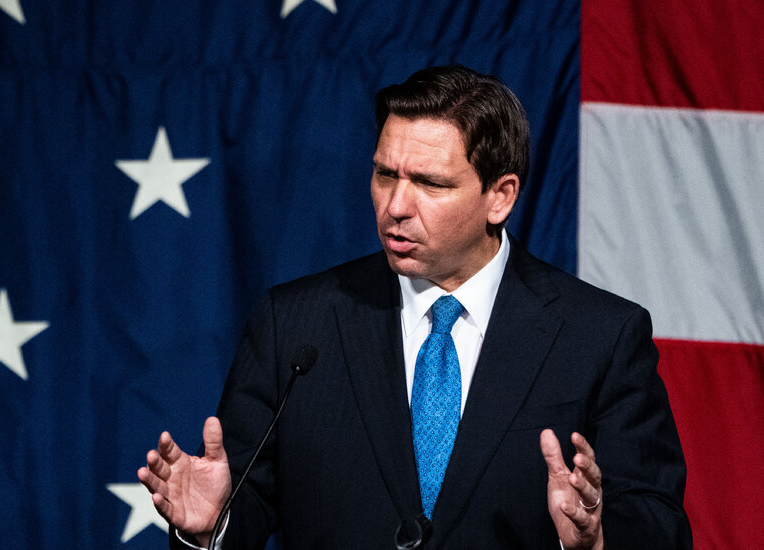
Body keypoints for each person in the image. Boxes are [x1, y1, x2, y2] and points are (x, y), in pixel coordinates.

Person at [138, 65, 692, 549]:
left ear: (499, 197)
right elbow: (246, 505)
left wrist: (596, 539)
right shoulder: (296, 324)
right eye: (385, 174)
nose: (396, 206)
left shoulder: (600, 336)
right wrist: (211, 528)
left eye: (429, 183)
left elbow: (659, 524)